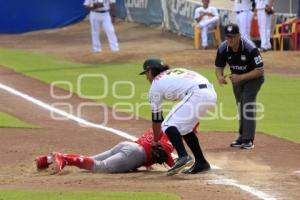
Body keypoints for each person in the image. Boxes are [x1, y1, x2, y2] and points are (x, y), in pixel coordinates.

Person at [139, 58, 217, 175]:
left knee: (168, 124)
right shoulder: (175, 72)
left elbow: (157, 119)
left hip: (197, 94)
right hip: (210, 93)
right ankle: (201, 162)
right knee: (185, 128)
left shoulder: (156, 84)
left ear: (150, 71)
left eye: (146, 73)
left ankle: (183, 156)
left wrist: (155, 141)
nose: (146, 77)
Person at [36, 128, 174, 174]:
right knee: (99, 167)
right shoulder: (172, 135)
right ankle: (64, 158)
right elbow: (164, 154)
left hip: (127, 146)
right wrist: (175, 165)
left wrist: (147, 163)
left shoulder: (159, 127)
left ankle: (46, 160)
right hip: (134, 154)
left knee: (91, 160)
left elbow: (151, 147)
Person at [215, 23, 264, 149]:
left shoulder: (250, 48)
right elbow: (219, 66)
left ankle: (248, 139)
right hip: (237, 80)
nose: (229, 40)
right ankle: (242, 137)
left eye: (232, 37)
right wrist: (220, 77)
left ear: (239, 36)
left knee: (247, 104)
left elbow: (260, 70)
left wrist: (240, 77)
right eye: (227, 37)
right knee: (241, 106)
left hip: (254, 79)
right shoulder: (222, 48)